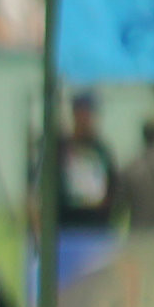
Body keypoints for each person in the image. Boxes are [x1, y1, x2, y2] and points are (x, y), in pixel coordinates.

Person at [31, 92, 118, 231]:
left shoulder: (101, 150)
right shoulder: (60, 149)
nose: (85, 119)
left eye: (88, 114)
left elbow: (112, 187)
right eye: (81, 113)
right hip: (65, 226)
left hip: (95, 226)